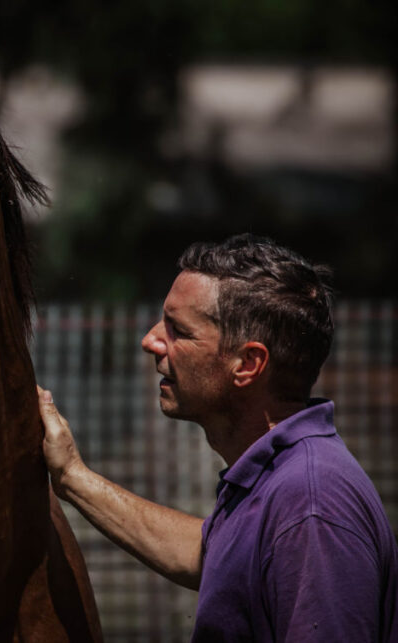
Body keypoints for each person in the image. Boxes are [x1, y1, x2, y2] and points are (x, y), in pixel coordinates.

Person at [38, 233, 398, 642]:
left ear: (247, 364)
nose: (150, 340)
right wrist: (71, 475)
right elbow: (208, 555)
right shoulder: (280, 477)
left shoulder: (311, 506)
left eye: (179, 331)